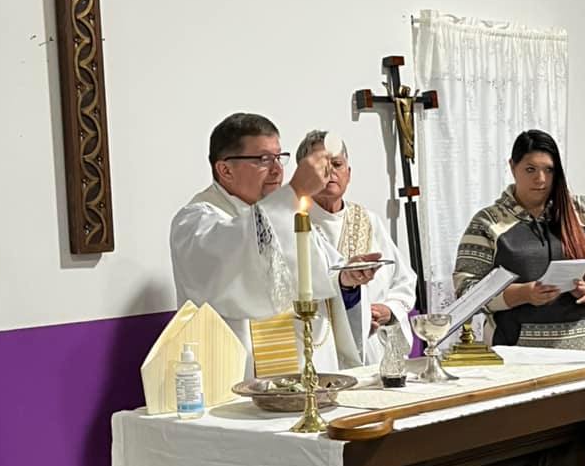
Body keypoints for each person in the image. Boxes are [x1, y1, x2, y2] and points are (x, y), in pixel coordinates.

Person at [170, 113, 379, 378]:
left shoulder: (289, 212)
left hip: (309, 377)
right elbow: (234, 255)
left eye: (279, 157)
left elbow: (324, 275)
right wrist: (293, 192)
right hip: (242, 387)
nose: (278, 169)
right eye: (263, 159)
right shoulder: (195, 222)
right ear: (225, 169)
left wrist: (346, 279)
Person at [453, 129, 585, 350]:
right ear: (512, 167)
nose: (541, 179)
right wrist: (524, 293)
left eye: (549, 170)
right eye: (530, 169)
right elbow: (466, 289)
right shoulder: (488, 223)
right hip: (515, 359)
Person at [295, 131, 416, 364]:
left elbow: (404, 281)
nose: (330, 172)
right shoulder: (295, 224)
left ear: (348, 174)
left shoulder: (369, 220)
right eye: (320, 165)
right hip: (322, 355)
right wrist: (352, 317)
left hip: (375, 354)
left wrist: (388, 311)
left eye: (337, 164)